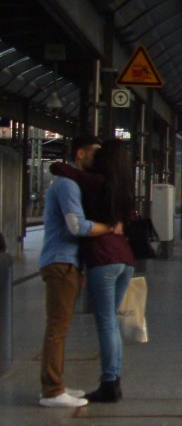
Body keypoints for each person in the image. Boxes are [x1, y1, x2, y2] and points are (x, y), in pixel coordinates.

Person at [52, 139, 137, 403]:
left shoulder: (96, 183)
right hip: (125, 259)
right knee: (112, 322)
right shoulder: (124, 189)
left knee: (106, 323)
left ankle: (110, 383)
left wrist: (68, 164)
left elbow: (61, 169)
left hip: (103, 257)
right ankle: (114, 379)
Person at [38, 134, 119, 408]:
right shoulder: (67, 185)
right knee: (57, 328)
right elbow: (76, 226)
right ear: (81, 154)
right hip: (60, 261)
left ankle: (56, 384)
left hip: (68, 262)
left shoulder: (72, 182)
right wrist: (108, 227)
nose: (99, 160)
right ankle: (51, 390)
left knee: (61, 327)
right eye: (95, 154)